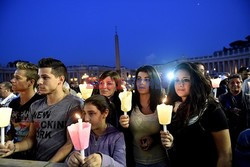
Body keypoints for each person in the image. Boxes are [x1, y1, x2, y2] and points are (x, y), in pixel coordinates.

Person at [0, 58, 83, 162]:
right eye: (39, 77)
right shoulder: (35, 106)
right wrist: (14, 147)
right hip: (36, 161)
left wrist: (49, 164)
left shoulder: (74, 104)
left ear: (60, 79)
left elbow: (70, 143)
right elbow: (31, 138)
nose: (39, 82)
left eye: (45, 77)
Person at [162, 62, 232, 167]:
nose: (180, 84)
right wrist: (171, 144)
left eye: (185, 80)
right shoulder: (171, 109)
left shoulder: (212, 110)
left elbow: (225, 155)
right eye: (177, 80)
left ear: (195, 82)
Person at [119, 65, 173, 167]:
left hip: (161, 161)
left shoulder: (163, 104)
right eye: (139, 79)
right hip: (136, 161)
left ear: (154, 82)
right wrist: (122, 124)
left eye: (147, 79)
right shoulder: (129, 102)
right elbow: (125, 134)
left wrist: (155, 139)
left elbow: (170, 131)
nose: (141, 83)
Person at [67, 95, 126, 167]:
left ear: (105, 113)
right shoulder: (82, 133)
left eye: (91, 113)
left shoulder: (117, 136)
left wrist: (103, 160)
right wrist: (71, 158)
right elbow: (75, 152)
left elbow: (121, 165)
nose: (86, 119)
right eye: (85, 113)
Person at [219, 74, 248, 151]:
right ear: (228, 85)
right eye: (232, 83)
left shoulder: (248, 99)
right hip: (229, 134)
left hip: (245, 133)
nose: (235, 84)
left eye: (238, 82)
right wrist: (229, 111)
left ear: (241, 83)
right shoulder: (222, 98)